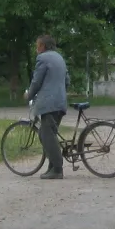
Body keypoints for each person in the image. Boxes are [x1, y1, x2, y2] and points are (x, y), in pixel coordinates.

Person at [24, 35, 70, 180]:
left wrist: (29, 95)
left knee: (47, 134)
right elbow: (67, 80)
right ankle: (52, 166)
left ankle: (57, 169)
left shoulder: (42, 59)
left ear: (43, 46)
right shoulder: (59, 57)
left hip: (49, 104)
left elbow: (36, 81)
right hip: (60, 102)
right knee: (47, 134)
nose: (36, 49)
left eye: (37, 46)